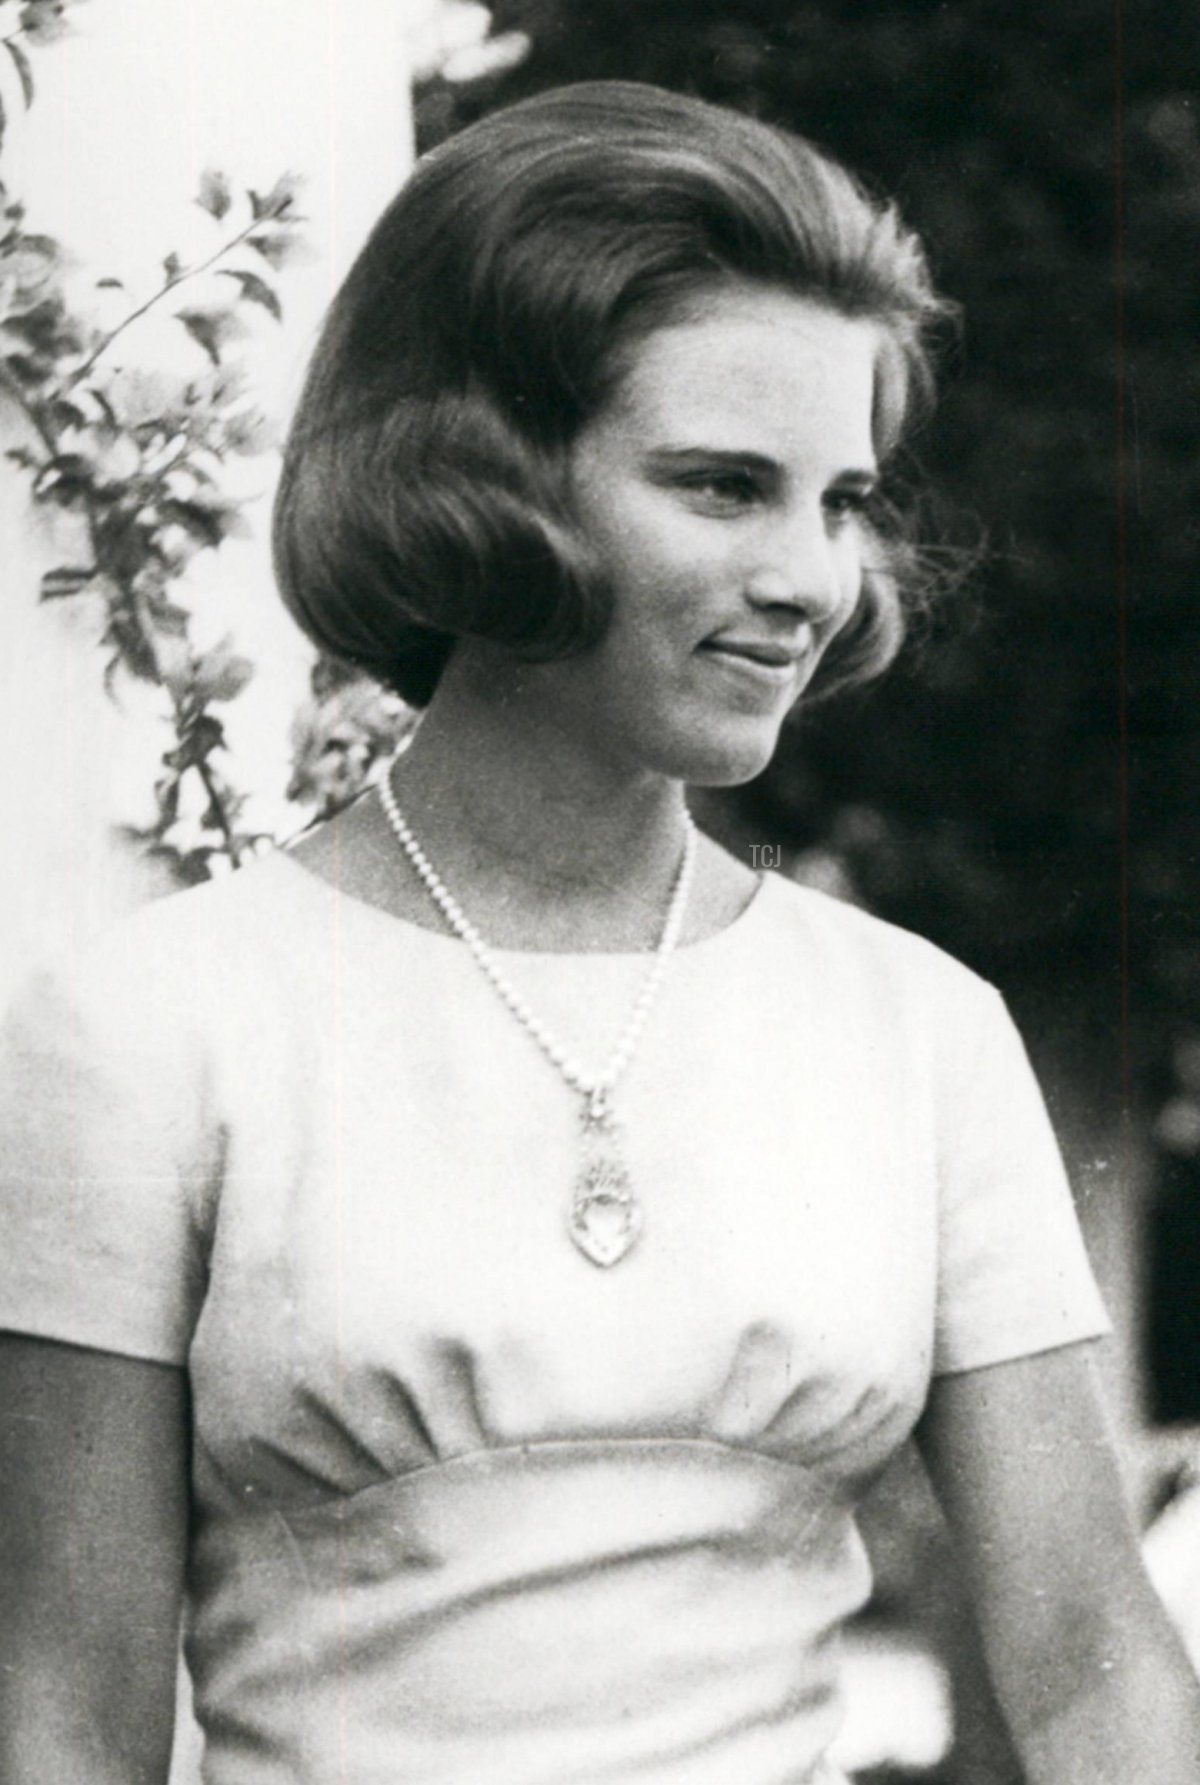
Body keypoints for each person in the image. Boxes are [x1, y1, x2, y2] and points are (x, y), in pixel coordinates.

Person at [0, 80, 1196, 1785]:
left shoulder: (914, 1030)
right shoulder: (158, 1030)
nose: (812, 577)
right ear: (481, 477)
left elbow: (1091, 1659)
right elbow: (61, 1713)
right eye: (725, 487)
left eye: (841, 500)